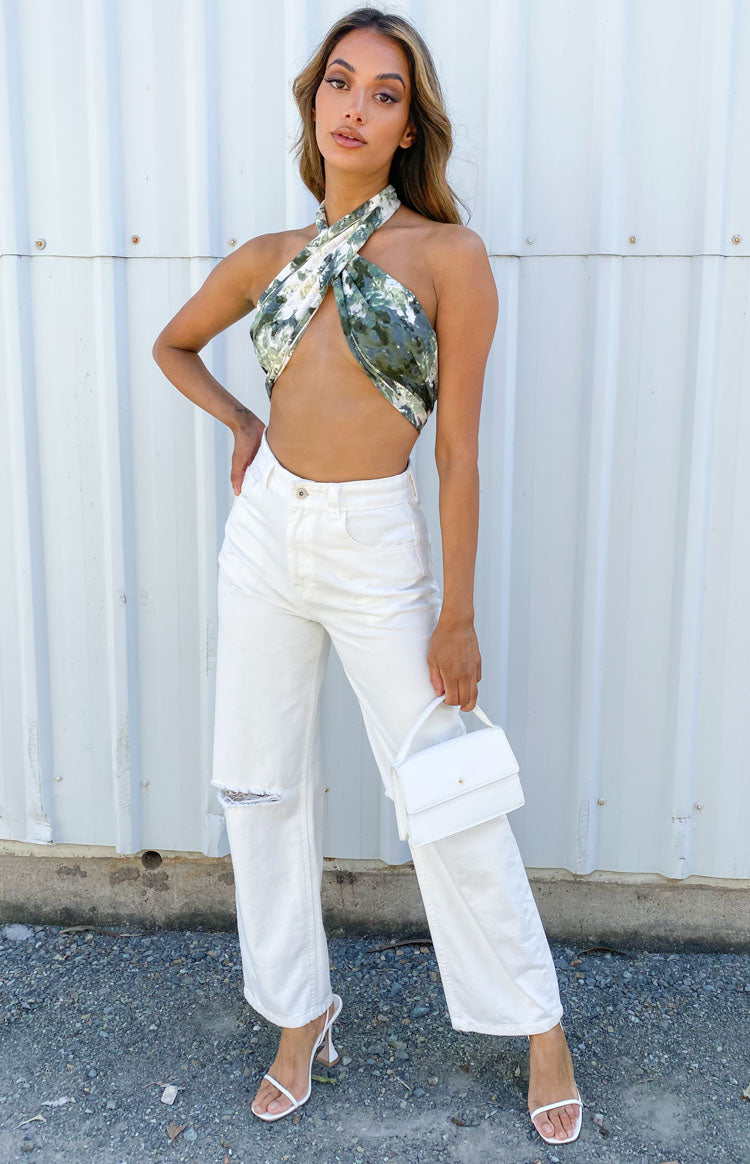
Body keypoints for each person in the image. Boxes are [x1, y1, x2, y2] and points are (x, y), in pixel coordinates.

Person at [152, 5, 582, 1146]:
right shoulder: (267, 258)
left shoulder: (450, 258)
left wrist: (459, 610)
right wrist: (244, 425)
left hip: (376, 548)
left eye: (383, 92)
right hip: (266, 541)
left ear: (407, 127)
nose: (354, 106)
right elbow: (172, 344)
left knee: (448, 788)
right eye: (338, 83)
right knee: (261, 787)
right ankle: (300, 1013)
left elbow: (457, 451)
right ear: (315, 105)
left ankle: (538, 1022)